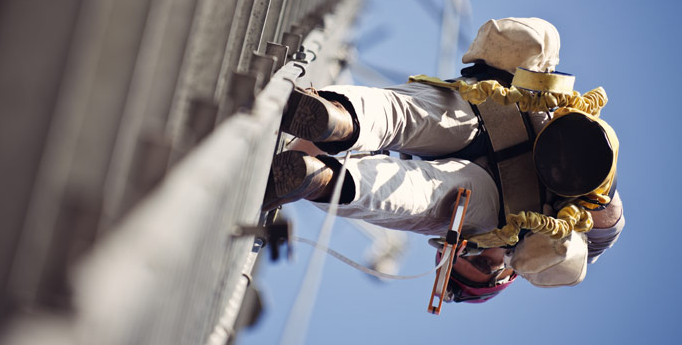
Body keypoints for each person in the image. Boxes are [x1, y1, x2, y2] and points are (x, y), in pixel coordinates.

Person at [262, 17, 624, 301]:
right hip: (509, 117)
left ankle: (330, 142)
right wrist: (593, 195)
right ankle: (325, 159)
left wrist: (298, 160)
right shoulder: (578, 241)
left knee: (417, 165)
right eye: (480, 262)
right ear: (508, 273)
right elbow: (609, 223)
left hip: (497, 167)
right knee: (416, 164)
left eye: (456, 257)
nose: (465, 252)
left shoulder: (488, 235)